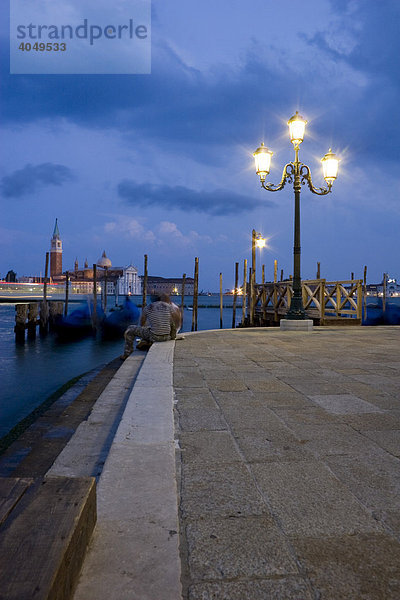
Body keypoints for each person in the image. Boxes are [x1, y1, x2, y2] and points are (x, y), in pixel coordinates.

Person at [120, 294, 182, 359]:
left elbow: (142, 323)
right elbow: (174, 321)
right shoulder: (169, 307)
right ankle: (147, 342)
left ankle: (127, 353)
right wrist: (172, 336)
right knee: (167, 322)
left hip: (154, 337)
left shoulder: (148, 307)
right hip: (167, 337)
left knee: (130, 329)